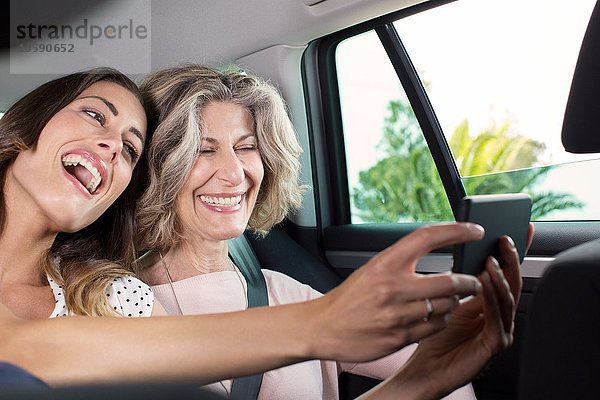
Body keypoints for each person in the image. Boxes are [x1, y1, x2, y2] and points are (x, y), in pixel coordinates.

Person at [0, 66, 512, 396]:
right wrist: (318, 325)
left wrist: (423, 379)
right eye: (202, 148)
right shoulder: (124, 304)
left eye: (130, 147)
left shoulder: (116, 298)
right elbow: (22, 350)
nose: (233, 171)